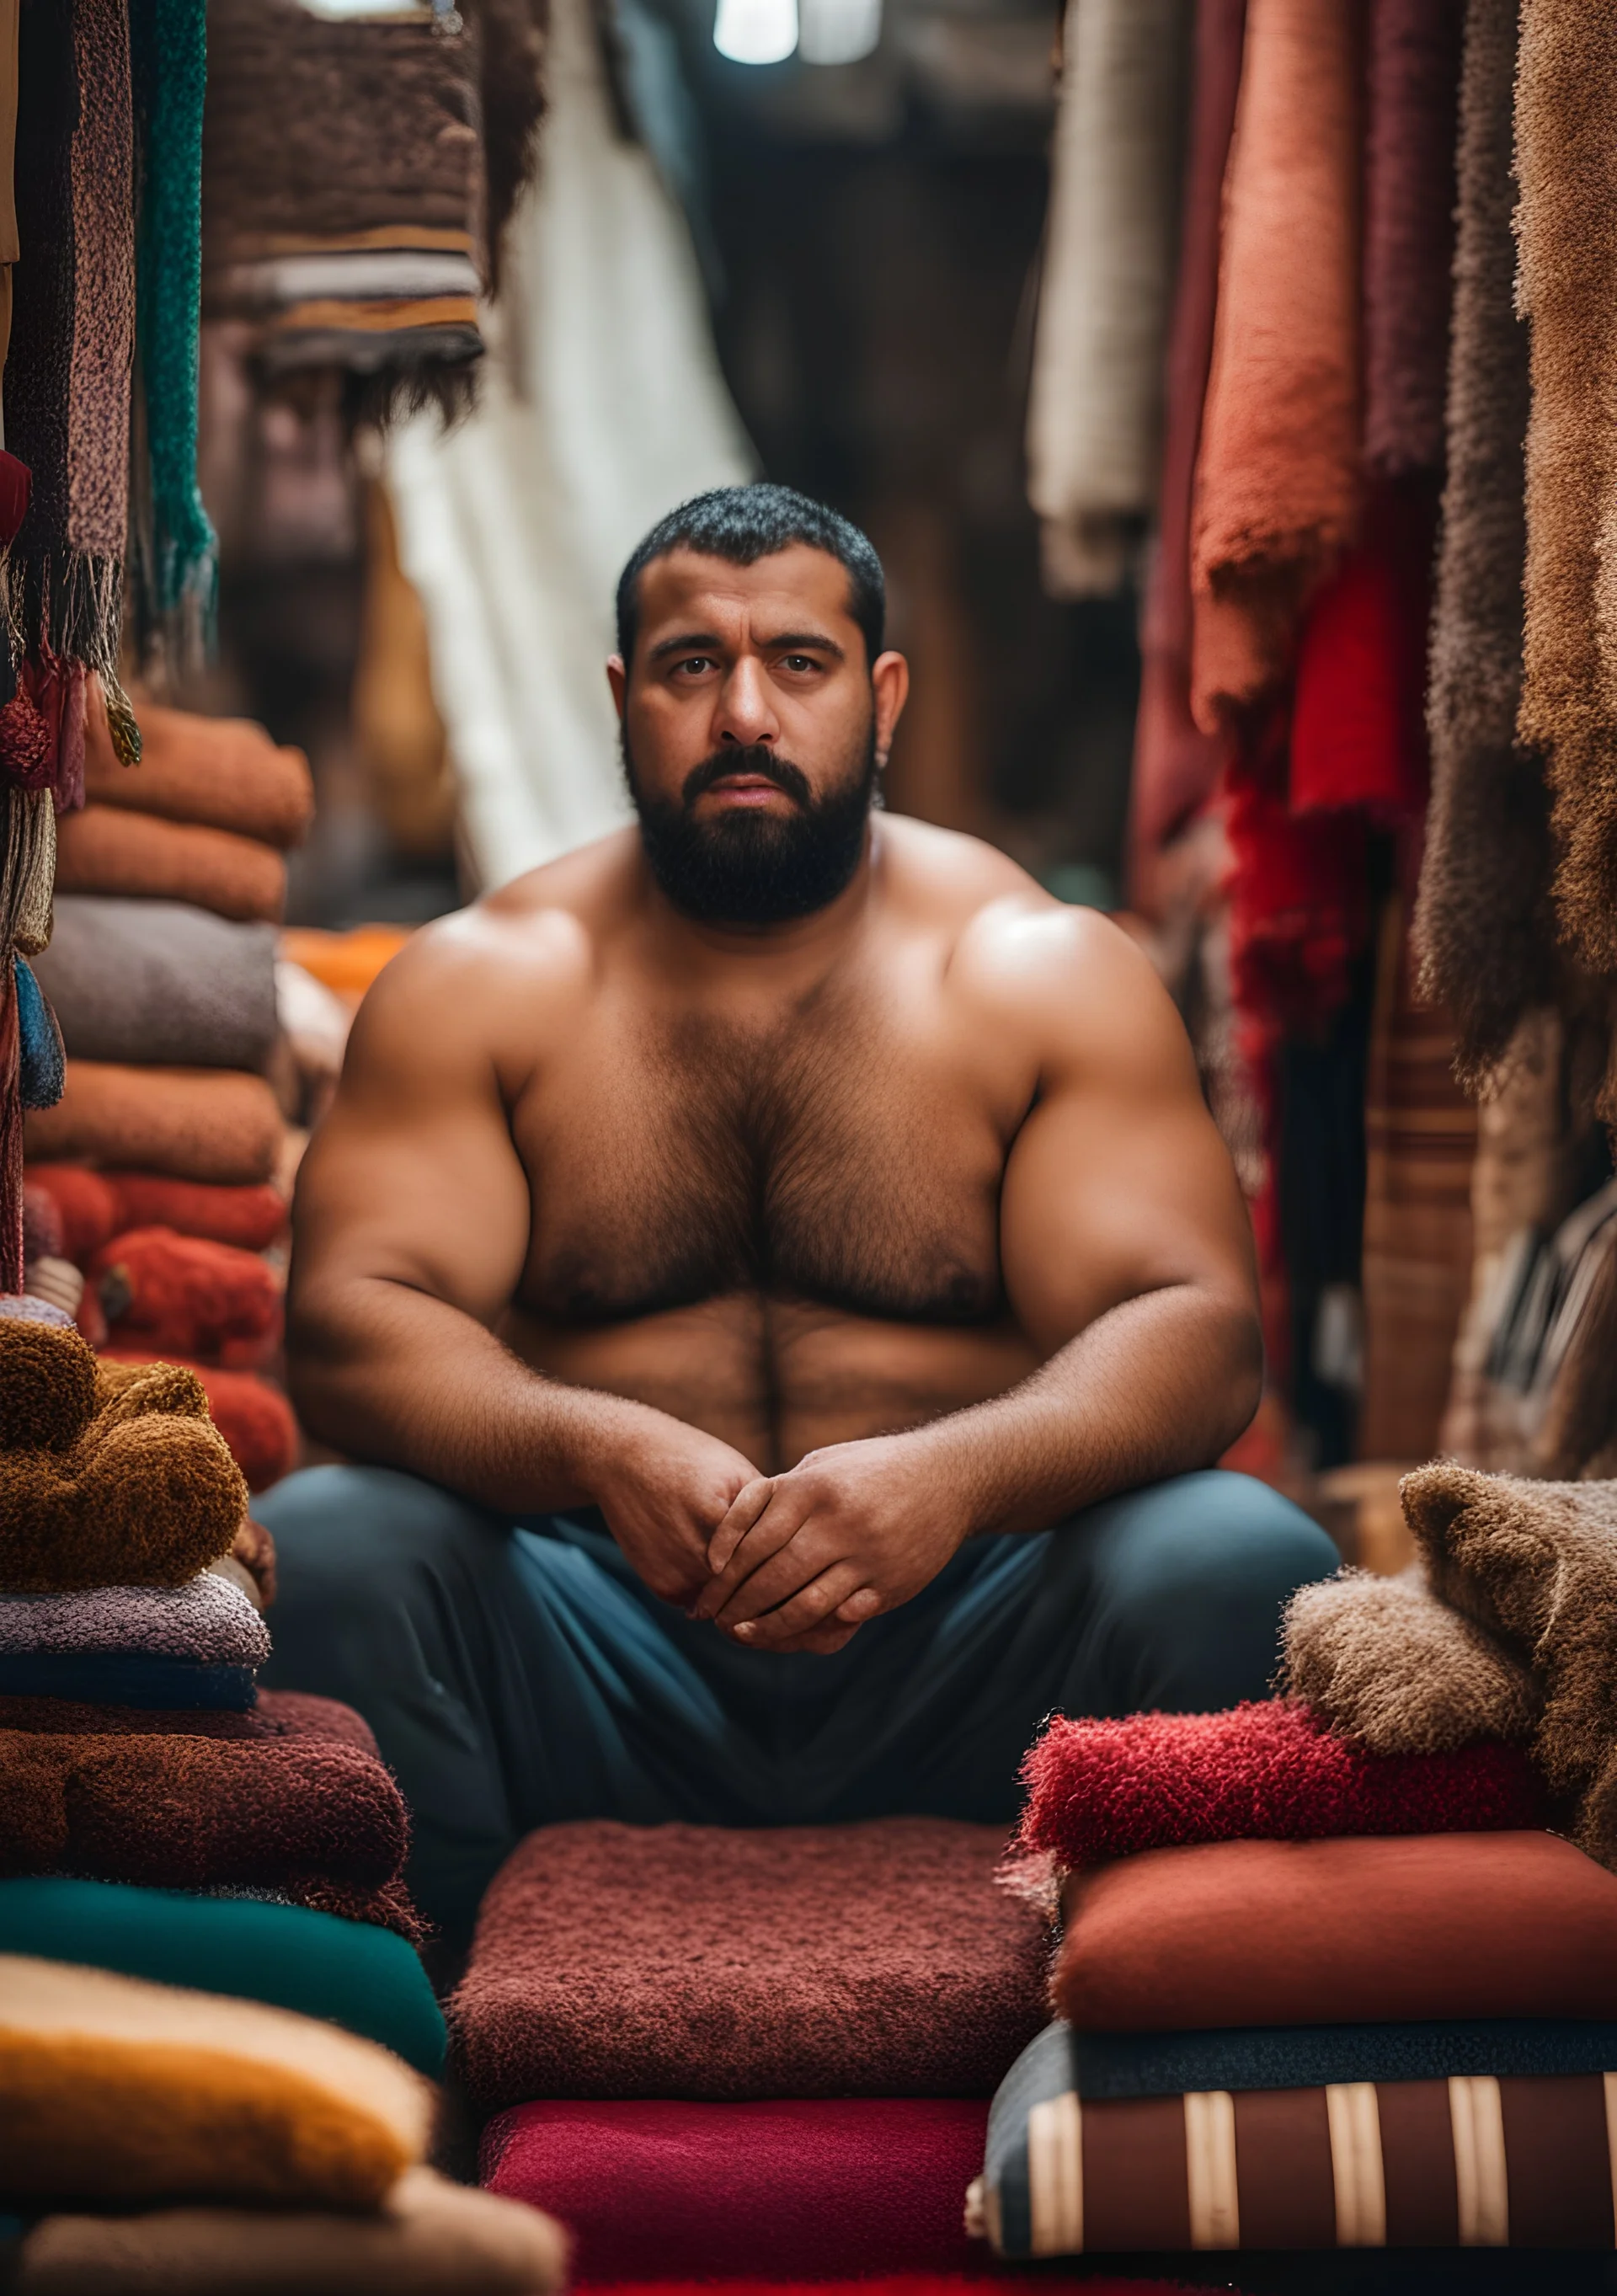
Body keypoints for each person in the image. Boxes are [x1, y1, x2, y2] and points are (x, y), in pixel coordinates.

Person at [260, 484, 1335, 1943]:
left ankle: (1140, 2001)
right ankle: (435, 2038)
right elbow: (345, 1329)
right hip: (600, 1651)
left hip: (969, 1647)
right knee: (327, 1549)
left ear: (882, 697)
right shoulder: (483, 981)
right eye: (694, 666)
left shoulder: (1035, 971)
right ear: (624, 696)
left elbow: (1200, 1336)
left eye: (801, 665)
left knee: (1240, 1560)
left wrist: (948, 1479)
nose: (746, 714)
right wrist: (594, 1441)